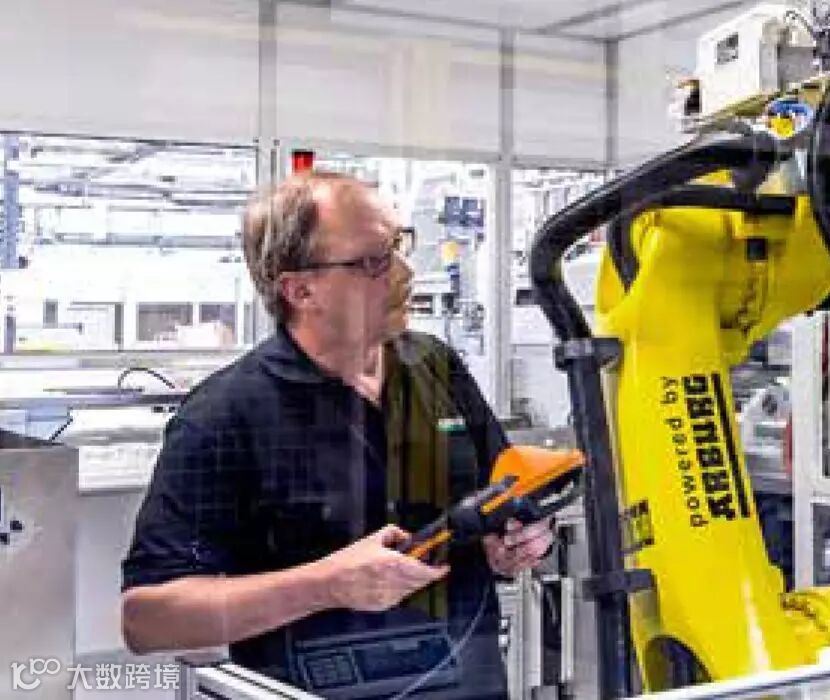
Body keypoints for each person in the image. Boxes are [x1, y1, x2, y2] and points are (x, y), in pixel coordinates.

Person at [120, 171, 553, 698]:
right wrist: (325, 585)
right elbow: (148, 620)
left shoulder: (436, 367)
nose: (406, 272)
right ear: (300, 290)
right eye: (374, 261)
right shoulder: (224, 417)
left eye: (399, 246)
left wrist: (517, 541)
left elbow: (502, 499)